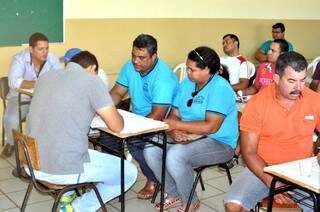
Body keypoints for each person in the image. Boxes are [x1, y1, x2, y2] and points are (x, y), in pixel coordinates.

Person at [26, 51, 137, 212]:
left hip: (31, 162)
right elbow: (117, 126)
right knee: (128, 172)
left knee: (68, 142)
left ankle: (67, 196)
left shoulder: (45, 78)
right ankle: (78, 207)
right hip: (62, 168)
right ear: (92, 68)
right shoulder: (92, 82)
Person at [145, 46, 238, 211]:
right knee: (151, 149)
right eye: (187, 67)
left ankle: (190, 201)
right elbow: (174, 114)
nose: (187, 72)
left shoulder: (220, 88)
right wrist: (172, 131)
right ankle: (173, 193)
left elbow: (211, 126)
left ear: (207, 70)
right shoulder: (187, 84)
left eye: (192, 69)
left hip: (219, 142)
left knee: (175, 155)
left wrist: (176, 125)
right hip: (190, 135)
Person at [224, 51, 320, 212]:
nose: (299, 87)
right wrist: (271, 182)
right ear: (276, 79)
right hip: (264, 168)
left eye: (302, 80)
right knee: (234, 206)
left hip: (303, 170)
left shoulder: (314, 99)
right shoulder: (257, 104)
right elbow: (249, 152)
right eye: (291, 81)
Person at [105, 34, 178, 199]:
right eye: (133, 55)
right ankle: (117, 177)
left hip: (161, 122)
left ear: (154, 56)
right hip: (136, 118)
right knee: (106, 136)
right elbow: (117, 92)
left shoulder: (163, 77)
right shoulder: (130, 67)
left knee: (135, 141)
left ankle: (154, 178)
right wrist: (104, 110)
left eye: (141, 57)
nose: (135, 61)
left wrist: (132, 129)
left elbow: (157, 115)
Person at [1, 32, 62, 158]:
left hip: (43, 98)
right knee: (10, 119)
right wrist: (38, 83)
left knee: (56, 115)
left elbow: (60, 76)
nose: (45, 52)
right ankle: (11, 143)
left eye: (46, 48)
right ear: (31, 49)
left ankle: (45, 146)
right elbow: (13, 82)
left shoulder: (51, 58)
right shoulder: (19, 59)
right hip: (20, 98)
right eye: (40, 49)